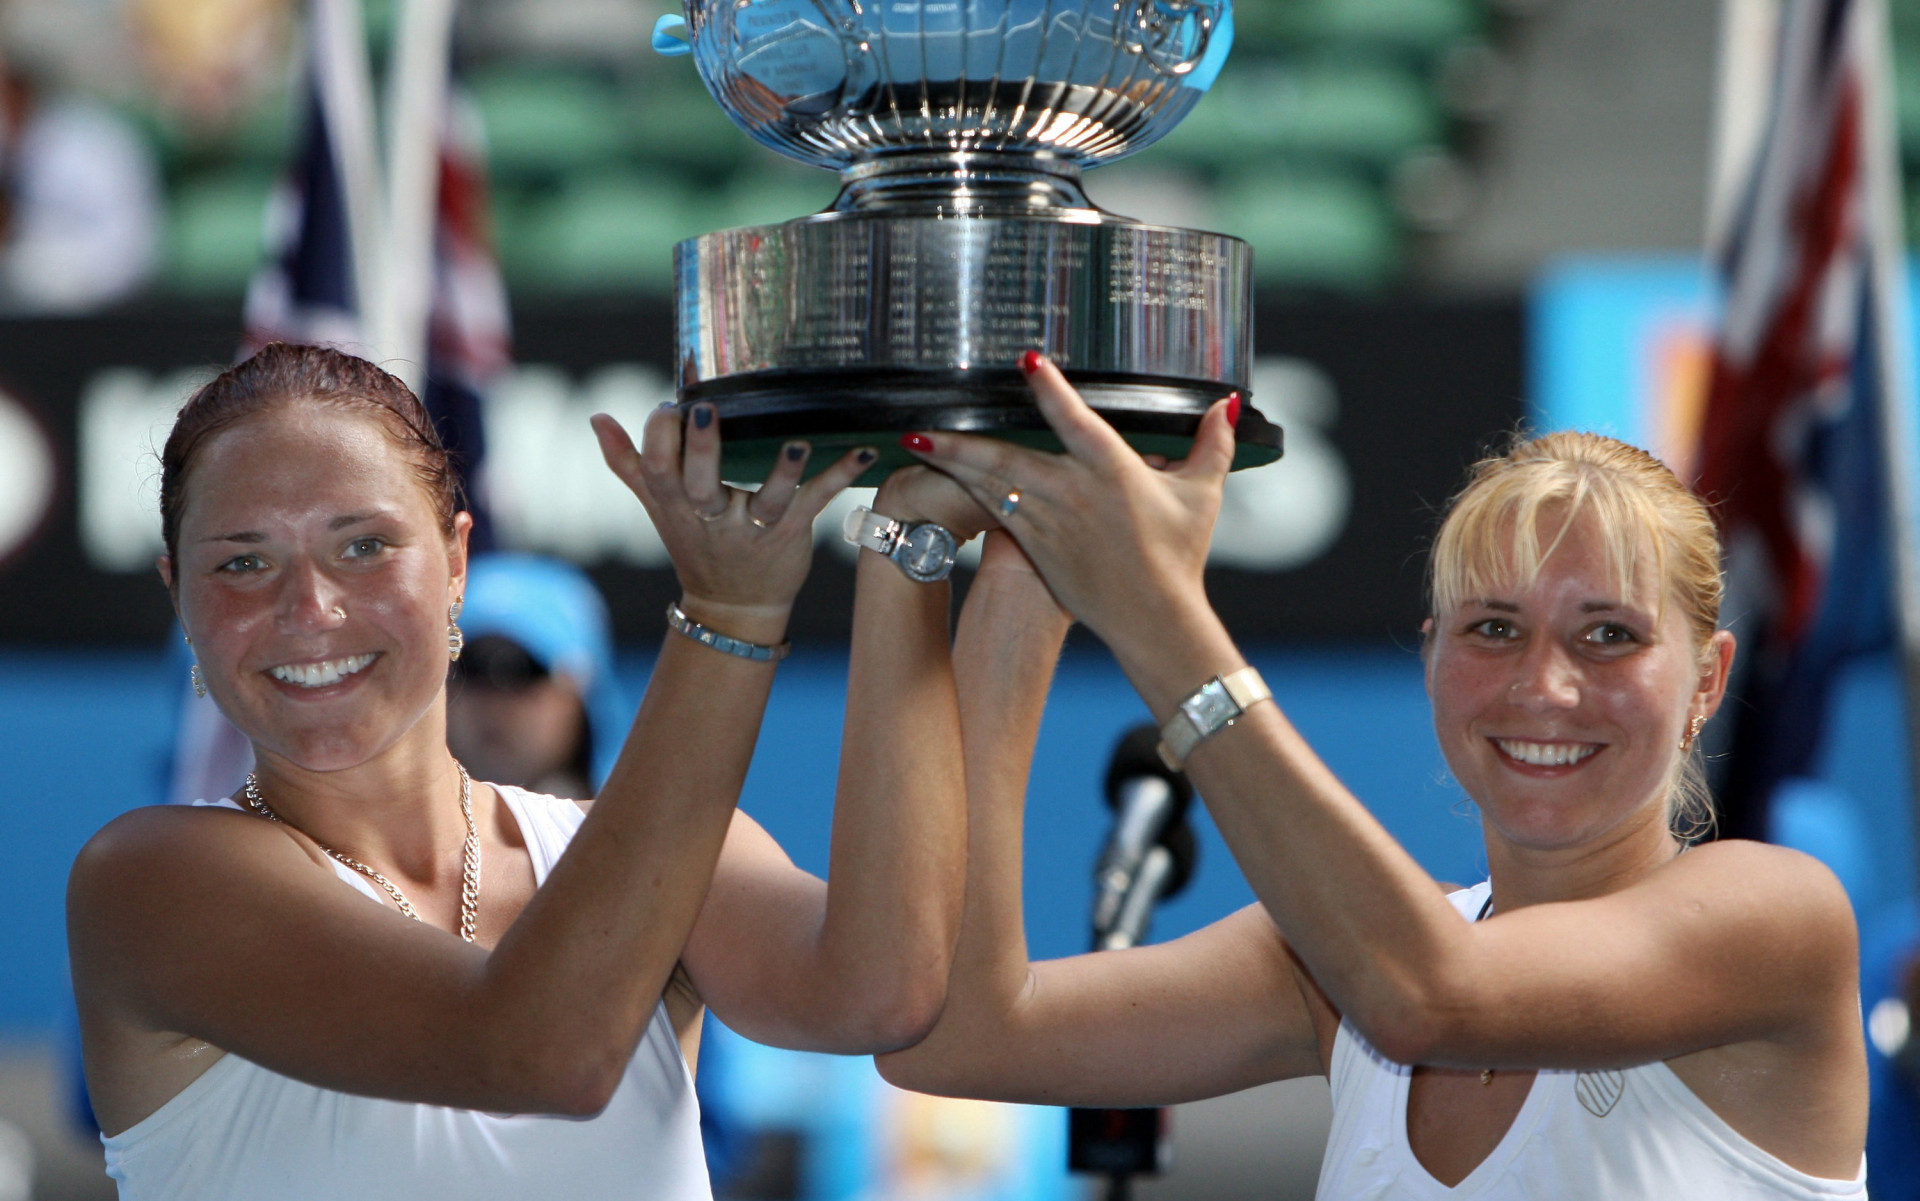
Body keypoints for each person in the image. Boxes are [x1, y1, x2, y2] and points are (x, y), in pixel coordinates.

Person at [877, 351, 1869, 1197]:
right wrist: (1024, 570)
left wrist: (1152, 607)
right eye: (1495, 628)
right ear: (1432, 658)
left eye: (1609, 634)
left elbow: (1427, 996)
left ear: (1709, 679)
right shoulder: (1327, 959)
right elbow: (946, 1034)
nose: (1546, 685)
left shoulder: (1775, 917)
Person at [66, 341, 981, 1200]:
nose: (311, 607)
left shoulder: (629, 857)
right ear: (178, 597)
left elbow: (880, 989)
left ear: (457, 561)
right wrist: (731, 610)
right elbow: (543, 1051)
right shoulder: (149, 881)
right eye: (244, 561)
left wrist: (914, 549)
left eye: (363, 546)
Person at [445, 553, 626, 800]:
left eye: (523, 670)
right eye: (471, 667)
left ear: (579, 690)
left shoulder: (639, 830)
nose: (496, 703)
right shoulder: (386, 831)